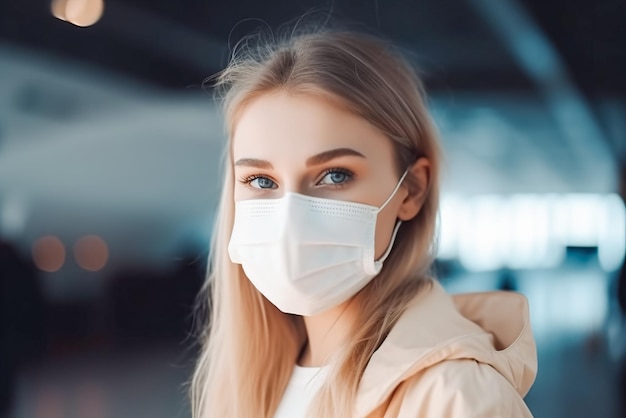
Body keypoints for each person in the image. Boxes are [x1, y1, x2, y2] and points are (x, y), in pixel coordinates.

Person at [190, 29, 537, 418]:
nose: (290, 219)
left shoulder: (457, 398)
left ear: (411, 190)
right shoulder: (252, 381)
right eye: (261, 181)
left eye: (335, 175)